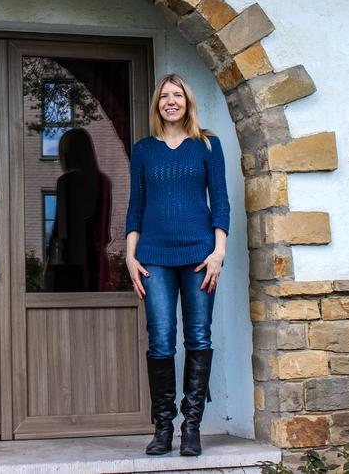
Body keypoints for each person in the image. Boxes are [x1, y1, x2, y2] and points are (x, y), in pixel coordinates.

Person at [125, 73, 229, 457]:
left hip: (201, 257)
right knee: (161, 339)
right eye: (164, 96)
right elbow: (135, 207)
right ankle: (163, 426)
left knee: (199, 337)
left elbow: (220, 201)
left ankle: (192, 427)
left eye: (178, 95)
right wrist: (130, 256)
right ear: (157, 104)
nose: (171, 101)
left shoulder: (206, 145)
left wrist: (218, 252)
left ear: (187, 102)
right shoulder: (144, 150)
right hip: (153, 259)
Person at [44, 128, 113, 292]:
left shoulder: (66, 182)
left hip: (70, 264)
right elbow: (104, 231)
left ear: (67, 155)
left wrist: (49, 260)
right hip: (96, 261)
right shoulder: (102, 181)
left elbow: (61, 231)